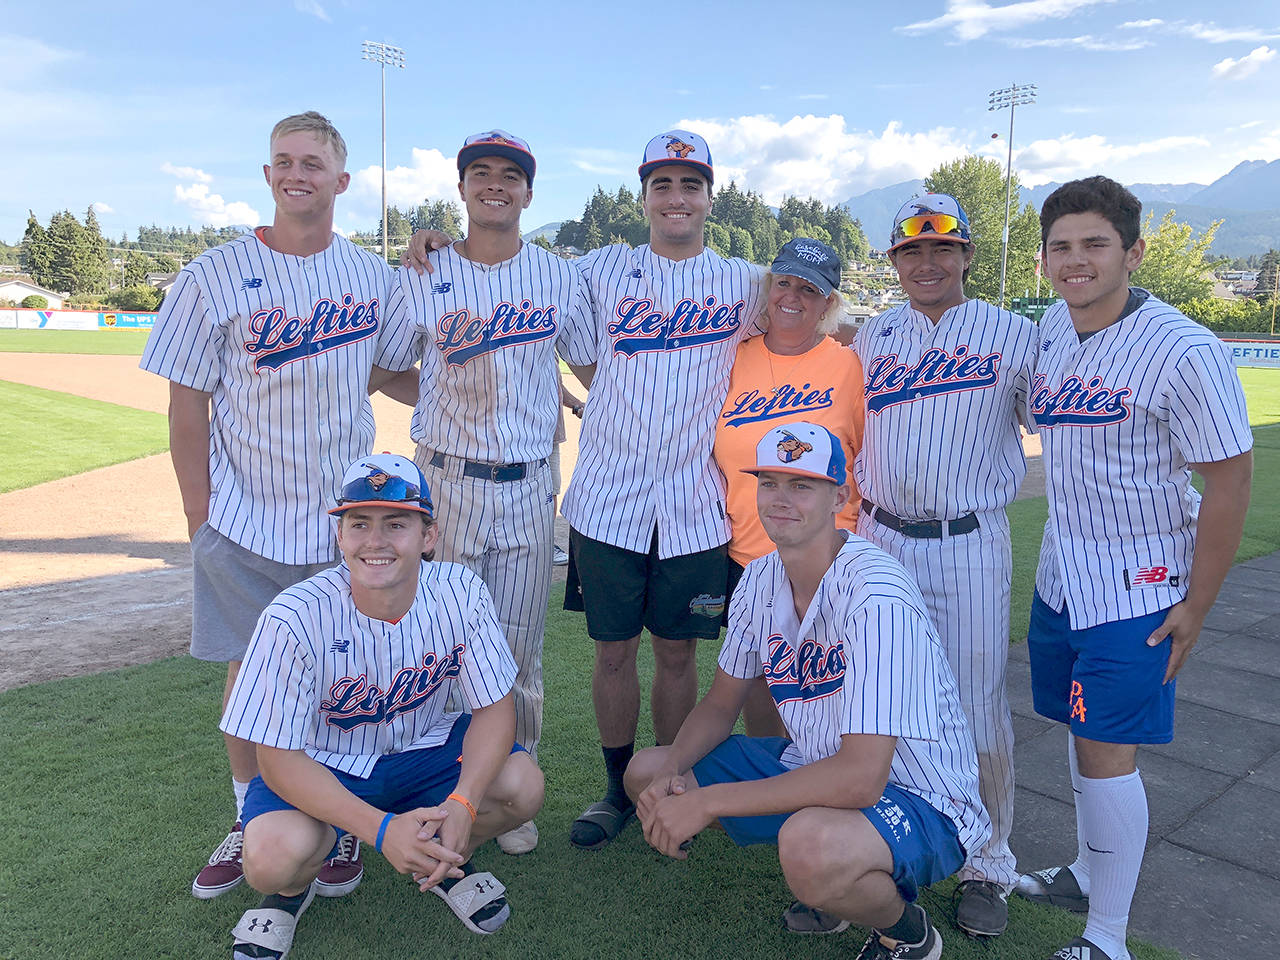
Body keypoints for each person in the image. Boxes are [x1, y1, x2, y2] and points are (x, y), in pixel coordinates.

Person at [140, 111, 410, 900]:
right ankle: (248, 815)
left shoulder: (371, 276)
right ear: (268, 176)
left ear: (341, 182)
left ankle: (346, 823)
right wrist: (199, 517)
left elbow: (390, 369)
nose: (298, 174)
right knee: (249, 676)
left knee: (350, 671)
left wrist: (484, 399)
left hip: (347, 524)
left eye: (314, 163)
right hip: (246, 519)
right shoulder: (213, 274)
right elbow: (185, 400)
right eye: (284, 161)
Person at [625, 422, 990, 960]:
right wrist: (670, 774)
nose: (781, 499)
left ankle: (907, 931)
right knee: (646, 771)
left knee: (808, 847)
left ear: (840, 496)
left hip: (923, 796)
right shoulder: (760, 577)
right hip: (814, 764)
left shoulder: (876, 596)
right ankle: (836, 881)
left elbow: (863, 778)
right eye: (769, 482)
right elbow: (721, 704)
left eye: (802, 485)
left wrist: (707, 802)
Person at [1016, 176, 1253, 960]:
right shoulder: (1053, 324)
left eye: (1094, 244)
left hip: (1141, 583)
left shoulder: (1183, 348)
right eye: (1061, 246)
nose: (1075, 260)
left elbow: (1229, 479)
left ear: (1133, 251)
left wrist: (1198, 604)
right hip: (1062, 572)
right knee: (1081, 738)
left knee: (1108, 751)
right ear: (1045, 258)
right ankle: (1087, 871)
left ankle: (1108, 938)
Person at [221, 453, 545, 959]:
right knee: (269, 859)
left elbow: (495, 709)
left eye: (396, 524)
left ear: (428, 537)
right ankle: (291, 893)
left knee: (521, 788)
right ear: (341, 537)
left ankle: (441, 857)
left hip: (427, 749)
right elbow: (277, 757)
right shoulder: (294, 616)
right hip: (327, 763)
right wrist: (380, 830)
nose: (375, 541)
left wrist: (462, 803)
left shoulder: (461, 592)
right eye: (360, 524)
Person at [378, 130, 593, 855]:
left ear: (529, 192)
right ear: (463, 188)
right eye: (481, 173)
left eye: (510, 175)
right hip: (445, 482)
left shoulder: (560, 277)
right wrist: (437, 401)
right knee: (433, 646)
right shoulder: (423, 272)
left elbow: (596, 363)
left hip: (531, 484)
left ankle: (510, 788)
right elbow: (383, 367)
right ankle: (435, 784)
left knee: (517, 650)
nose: (495, 185)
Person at [557, 130, 765, 849]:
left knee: (679, 652)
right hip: (607, 502)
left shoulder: (743, 282)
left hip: (696, 507)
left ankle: (673, 785)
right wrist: (436, 245)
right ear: (644, 196)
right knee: (612, 652)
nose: (676, 197)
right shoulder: (602, 269)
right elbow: (532, 293)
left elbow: (813, 299)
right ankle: (616, 790)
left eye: (690, 184)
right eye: (662, 184)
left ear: (710, 197)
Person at [851, 193, 1037, 937]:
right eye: (910, 251)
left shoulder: (1014, 336)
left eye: (942, 248)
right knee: (878, 698)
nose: (926, 262)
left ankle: (988, 861)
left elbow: (1066, 419)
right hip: (879, 537)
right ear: (894, 262)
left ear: (965, 255)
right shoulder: (870, 340)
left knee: (974, 704)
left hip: (969, 541)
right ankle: (891, 844)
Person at [713, 236, 865, 747]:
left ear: (828, 304)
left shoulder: (849, 366)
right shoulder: (733, 358)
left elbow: (863, 458)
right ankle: (769, 791)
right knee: (759, 683)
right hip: (749, 553)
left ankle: (826, 796)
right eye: (784, 282)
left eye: (810, 289)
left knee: (828, 691)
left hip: (827, 558)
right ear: (768, 286)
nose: (792, 297)